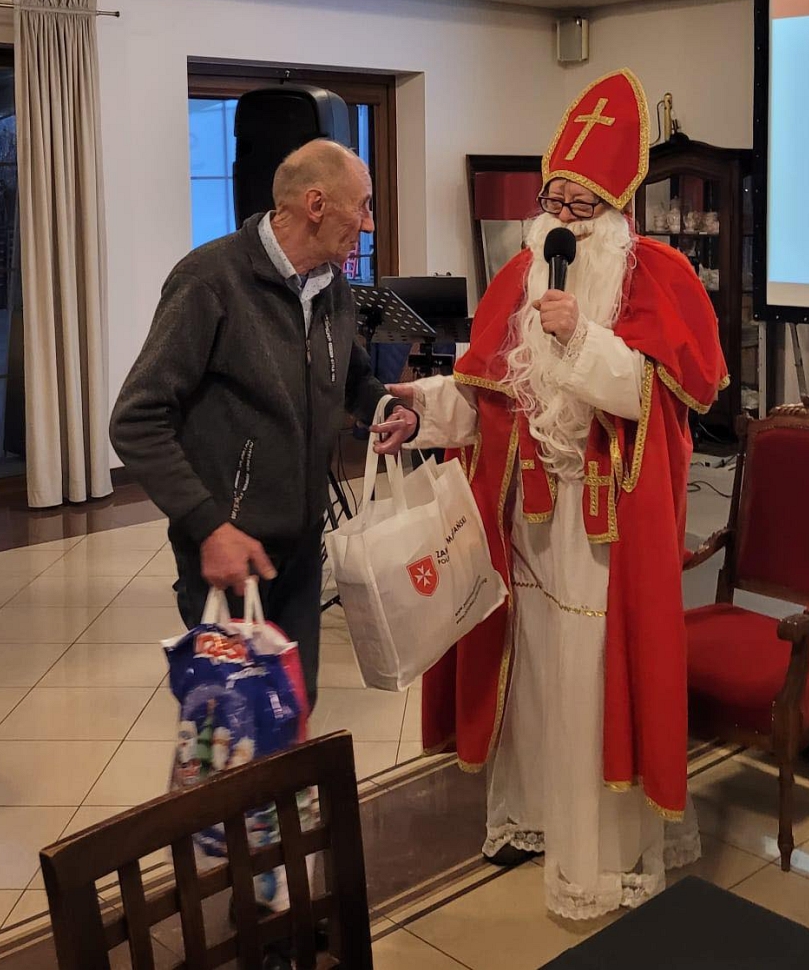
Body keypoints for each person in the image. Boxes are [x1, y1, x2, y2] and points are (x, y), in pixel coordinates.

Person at [381, 69, 728, 920]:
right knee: (535, 671)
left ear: (615, 211)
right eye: (554, 201)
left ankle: (602, 850)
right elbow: (489, 390)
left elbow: (665, 402)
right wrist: (422, 412)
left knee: (593, 679)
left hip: (605, 527)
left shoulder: (659, 275)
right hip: (528, 522)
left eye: (582, 205)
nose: (563, 219)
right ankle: (535, 815)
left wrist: (585, 341)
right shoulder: (521, 275)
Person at [110, 138, 417, 707]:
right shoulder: (210, 279)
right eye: (363, 206)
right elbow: (136, 419)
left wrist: (386, 407)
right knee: (235, 728)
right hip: (228, 550)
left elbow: (351, 375)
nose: (369, 224)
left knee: (294, 708)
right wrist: (209, 527)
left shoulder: (333, 286)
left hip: (302, 545)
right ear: (316, 204)